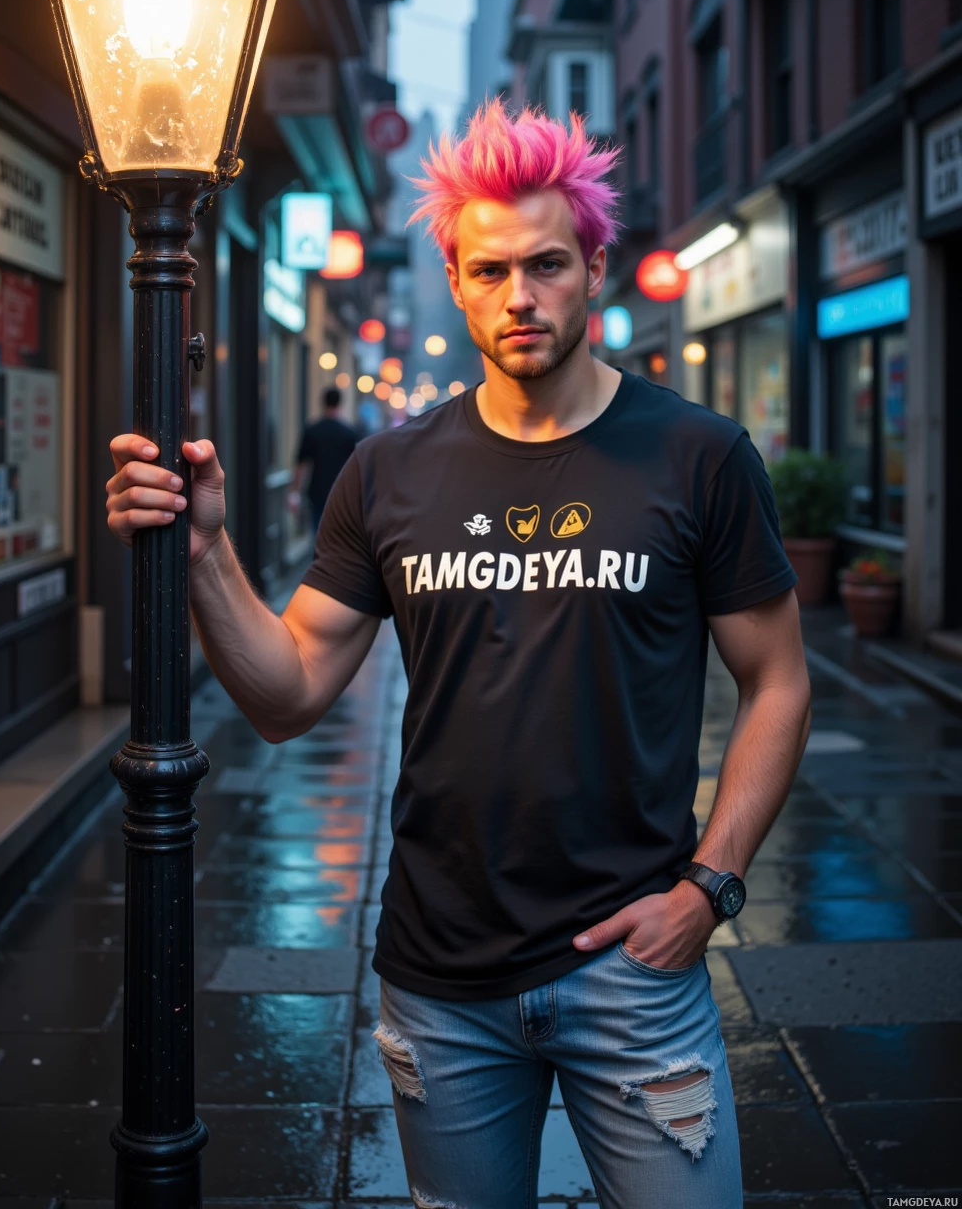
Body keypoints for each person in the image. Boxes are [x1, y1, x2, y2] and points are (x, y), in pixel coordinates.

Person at [105, 99, 810, 1208]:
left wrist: (709, 888)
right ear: (454, 278)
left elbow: (777, 682)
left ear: (593, 266)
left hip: (634, 970)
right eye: (489, 271)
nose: (518, 296)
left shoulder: (699, 457)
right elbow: (286, 693)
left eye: (545, 264)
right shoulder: (389, 472)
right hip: (439, 980)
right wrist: (203, 553)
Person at [288, 385, 358, 530]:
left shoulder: (312, 431)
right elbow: (357, 468)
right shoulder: (350, 433)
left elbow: (301, 464)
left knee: (318, 534)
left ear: (323, 403)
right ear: (340, 404)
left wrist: (294, 492)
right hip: (341, 494)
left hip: (317, 492)